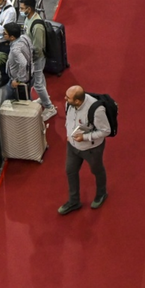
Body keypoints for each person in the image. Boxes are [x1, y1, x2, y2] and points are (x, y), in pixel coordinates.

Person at [58, 86, 111, 214]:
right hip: (72, 146)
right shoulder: (69, 104)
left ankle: (101, 193)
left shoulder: (96, 109)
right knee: (70, 171)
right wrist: (69, 134)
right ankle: (74, 201)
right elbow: (70, 120)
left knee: (97, 170)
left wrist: (85, 137)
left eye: (68, 97)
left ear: (77, 101)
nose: (65, 99)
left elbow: (106, 131)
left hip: (92, 149)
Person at [10, 0, 56, 115]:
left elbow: (38, 48)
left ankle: (50, 108)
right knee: (40, 79)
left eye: (22, 8)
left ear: (29, 9)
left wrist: (29, 59)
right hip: (32, 56)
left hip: (37, 58)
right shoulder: (28, 18)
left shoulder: (37, 26)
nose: (20, 10)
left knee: (37, 84)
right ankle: (44, 97)